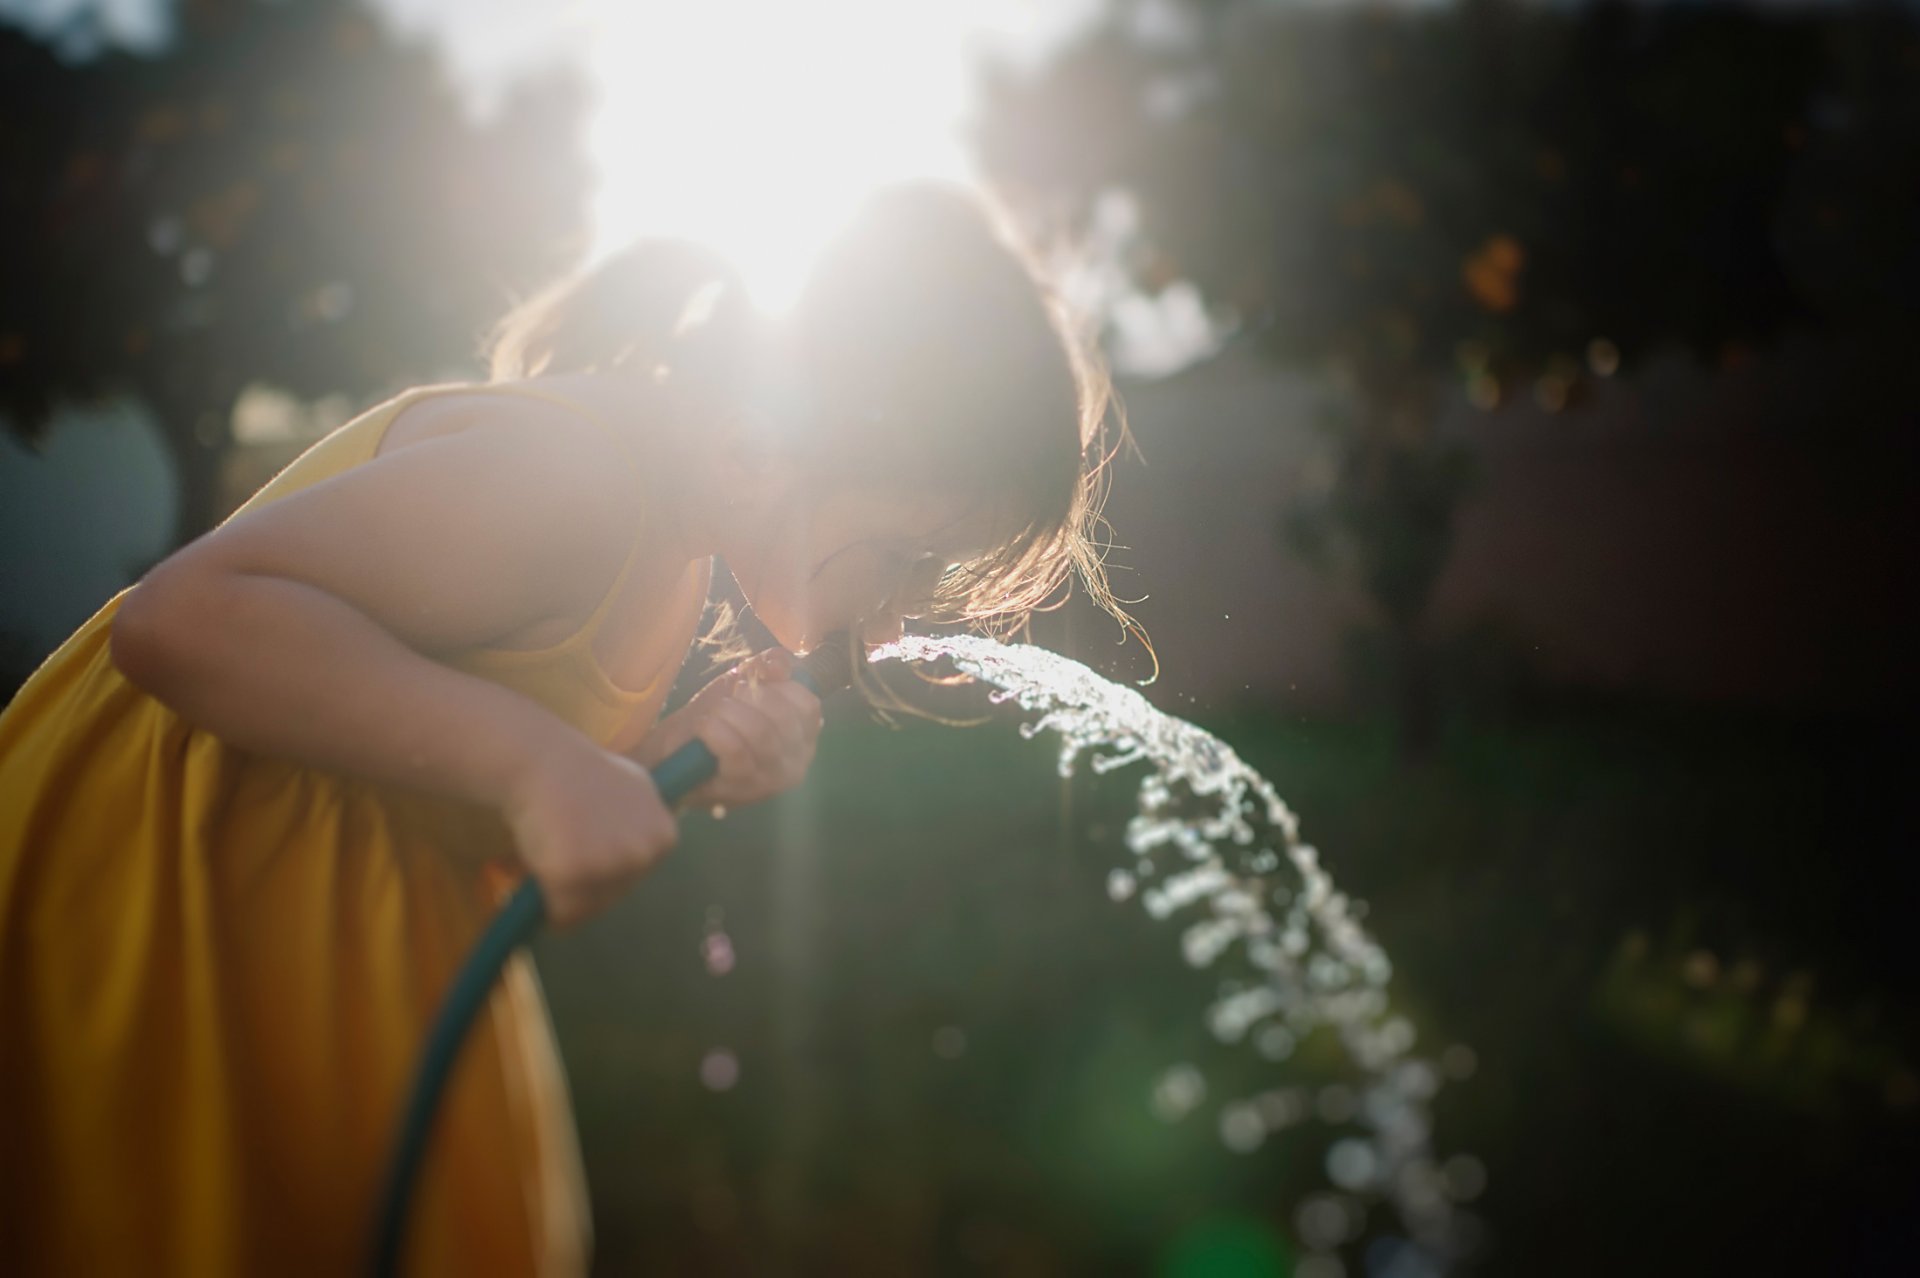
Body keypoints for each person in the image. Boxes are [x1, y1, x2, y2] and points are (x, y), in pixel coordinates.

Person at [0, 181, 1135, 1275]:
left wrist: (654, 761)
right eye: (900, 561)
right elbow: (183, 620)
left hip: (337, 938)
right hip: (155, 917)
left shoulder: (675, 549)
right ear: (771, 443)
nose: (891, 625)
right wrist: (539, 763)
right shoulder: (571, 481)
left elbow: (426, 759)